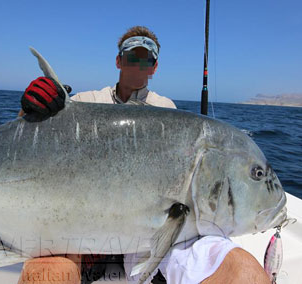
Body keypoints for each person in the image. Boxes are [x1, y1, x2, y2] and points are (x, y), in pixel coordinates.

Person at [18, 26, 270, 284]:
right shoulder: (86, 101)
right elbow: (35, 142)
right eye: (132, 57)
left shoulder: (166, 112)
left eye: (146, 59)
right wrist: (32, 109)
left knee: (243, 274)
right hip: (82, 223)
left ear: (154, 67)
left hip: (144, 235)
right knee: (46, 275)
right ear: (119, 60)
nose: (139, 65)